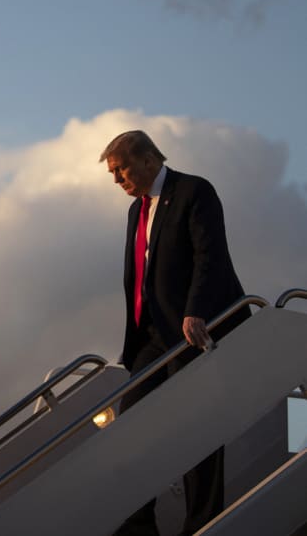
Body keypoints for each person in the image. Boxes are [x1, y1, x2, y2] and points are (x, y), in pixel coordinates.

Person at [101, 130, 249, 536]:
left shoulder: (193, 191)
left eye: (120, 170)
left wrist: (196, 311)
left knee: (197, 429)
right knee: (133, 424)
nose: (116, 180)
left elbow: (210, 254)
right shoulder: (137, 209)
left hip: (194, 332)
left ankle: (202, 524)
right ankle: (139, 523)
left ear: (148, 159)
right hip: (151, 335)